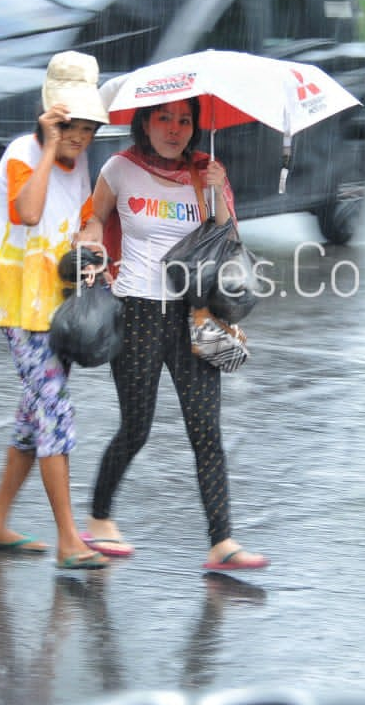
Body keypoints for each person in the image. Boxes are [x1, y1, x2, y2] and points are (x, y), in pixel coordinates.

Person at [76, 97, 270, 572]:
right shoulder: (119, 169)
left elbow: (227, 241)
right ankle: (99, 517)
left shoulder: (207, 172)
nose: (174, 128)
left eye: (184, 120)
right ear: (144, 121)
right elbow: (95, 217)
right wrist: (92, 237)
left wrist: (219, 195)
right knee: (136, 428)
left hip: (194, 312)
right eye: (164, 118)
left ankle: (221, 540)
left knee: (206, 429)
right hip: (136, 311)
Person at [0, 50, 112, 571]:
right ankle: (69, 539)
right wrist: (48, 146)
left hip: (60, 307)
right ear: (52, 115)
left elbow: (78, 224)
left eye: (87, 128)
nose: (79, 138)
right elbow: (29, 211)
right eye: (70, 126)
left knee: (33, 421)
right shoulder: (20, 155)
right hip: (21, 309)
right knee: (56, 411)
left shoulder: (79, 166)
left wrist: (91, 247)